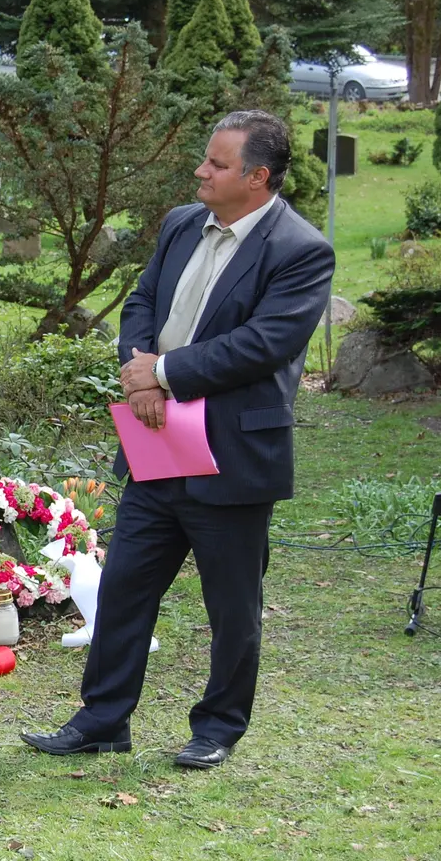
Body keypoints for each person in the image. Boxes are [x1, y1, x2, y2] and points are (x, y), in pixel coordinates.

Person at [21, 110, 334, 770]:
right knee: (126, 585)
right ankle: (104, 719)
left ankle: (218, 727)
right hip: (155, 443)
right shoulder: (180, 224)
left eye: (217, 165)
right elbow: (143, 302)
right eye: (205, 158)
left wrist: (163, 372)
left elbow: (263, 344)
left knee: (232, 606)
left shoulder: (301, 250)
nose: (201, 171)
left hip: (232, 456)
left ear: (257, 177)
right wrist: (139, 377)